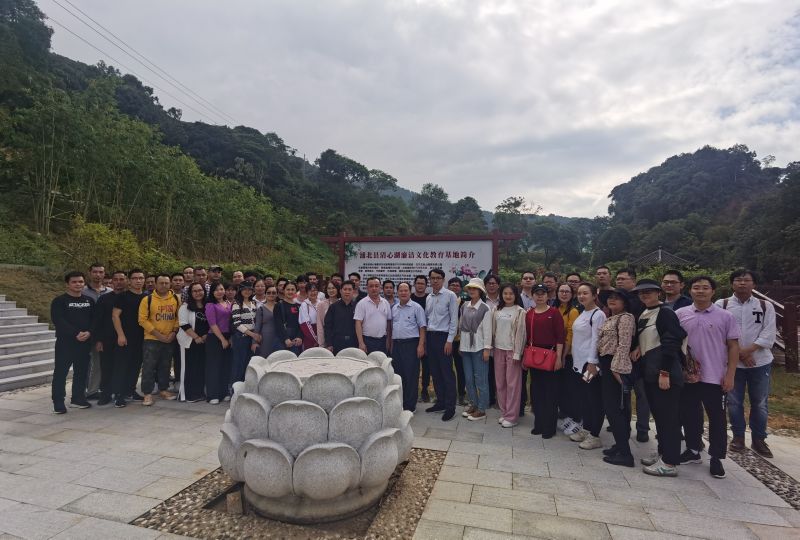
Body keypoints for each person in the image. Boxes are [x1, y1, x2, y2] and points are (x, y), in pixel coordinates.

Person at [676, 276, 740, 479]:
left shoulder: (725, 316)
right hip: (689, 376)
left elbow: (733, 346)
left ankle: (716, 457)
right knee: (690, 414)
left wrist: (730, 375)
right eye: (696, 287)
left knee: (717, 418)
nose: (700, 291)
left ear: (713, 291)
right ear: (690, 291)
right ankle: (693, 449)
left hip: (715, 376)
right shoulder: (680, 314)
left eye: (705, 288)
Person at [718, 269, 777, 457]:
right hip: (732, 365)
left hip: (760, 362)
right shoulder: (722, 305)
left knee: (759, 402)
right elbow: (718, 333)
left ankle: (759, 439)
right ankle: (738, 437)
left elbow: (769, 334)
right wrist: (739, 355)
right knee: (734, 402)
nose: (742, 283)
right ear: (732, 284)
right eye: (738, 280)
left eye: (746, 280)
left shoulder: (765, 306)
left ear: (754, 284)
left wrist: (745, 351)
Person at [633, 279, 687, 477]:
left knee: (669, 418)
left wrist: (665, 372)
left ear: (658, 292)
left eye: (649, 291)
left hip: (664, 373)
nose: (644, 295)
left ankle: (670, 462)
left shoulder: (665, 313)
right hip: (650, 371)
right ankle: (663, 453)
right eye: (641, 292)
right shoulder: (645, 312)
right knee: (660, 416)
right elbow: (649, 338)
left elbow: (672, 341)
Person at [598, 289, 637, 467]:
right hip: (607, 363)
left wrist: (617, 368)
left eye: (617, 298)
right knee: (613, 408)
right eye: (610, 298)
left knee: (615, 409)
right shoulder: (612, 317)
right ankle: (620, 445)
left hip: (615, 366)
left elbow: (624, 345)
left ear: (625, 302)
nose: (612, 300)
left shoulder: (626, 318)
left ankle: (625, 454)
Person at [568, 282, 607, 449]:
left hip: (590, 365)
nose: (581, 296)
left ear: (594, 295)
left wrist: (592, 362)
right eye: (579, 293)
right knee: (584, 397)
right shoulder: (583, 312)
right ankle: (586, 429)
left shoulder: (598, 315)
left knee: (594, 399)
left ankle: (595, 435)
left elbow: (597, 340)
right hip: (579, 363)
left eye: (585, 293)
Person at [50, 271, 95, 414]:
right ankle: (58, 402)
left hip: (84, 343)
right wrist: (76, 333)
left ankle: (78, 398)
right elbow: (59, 320)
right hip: (65, 344)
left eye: (80, 282)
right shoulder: (59, 301)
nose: (78, 284)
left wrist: (89, 332)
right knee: (60, 373)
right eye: (74, 282)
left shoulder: (89, 301)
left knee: (81, 372)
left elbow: (94, 320)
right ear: (67, 284)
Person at [526, 284, 565, 438]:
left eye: (543, 293)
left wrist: (559, 358)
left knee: (550, 392)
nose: (540, 296)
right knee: (536, 392)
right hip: (534, 354)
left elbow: (560, 337)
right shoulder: (529, 314)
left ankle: (549, 427)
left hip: (550, 354)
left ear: (548, 296)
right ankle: (539, 423)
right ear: (532, 296)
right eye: (537, 293)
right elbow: (527, 337)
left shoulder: (554, 313)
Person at [616, 267, 649, 442]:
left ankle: (643, 428)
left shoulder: (642, 301)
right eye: (617, 279)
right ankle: (623, 425)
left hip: (639, 355)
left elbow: (647, 329)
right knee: (623, 392)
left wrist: (640, 347)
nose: (619, 281)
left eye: (623, 278)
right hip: (621, 354)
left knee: (642, 393)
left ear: (634, 281)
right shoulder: (616, 300)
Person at [138, 274, 179, 406]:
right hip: (152, 339)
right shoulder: (147, 299)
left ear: (170, 284)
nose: (164, 285)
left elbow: (178, 317)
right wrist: (158, 335)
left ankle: (163, 389)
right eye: (161, 283)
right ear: (155, 284)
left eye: (166, 283)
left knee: (165, 366)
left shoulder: (176, 299)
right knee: (149, 366)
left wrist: (174, 332)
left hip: (169, 338)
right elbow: (142, 320)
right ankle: (147, 393)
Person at [424, 268, 460, 422]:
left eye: (438, 278)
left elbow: (454, 320)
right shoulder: (429, 297)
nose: (435, 280)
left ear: (443, 280)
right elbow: (427, 318)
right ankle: (441, 402)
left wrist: (449, 340)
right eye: (432, 278)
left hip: (444, 338)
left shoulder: (450, 295)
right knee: (435, 372)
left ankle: (450, 407)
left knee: (447, 373)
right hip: (431, 337)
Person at [492, 284, 526, 427]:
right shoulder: (496, 309)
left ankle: (512, 417)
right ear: (501, 295)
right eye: (505, 293)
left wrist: (518, 352)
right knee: (500, 383)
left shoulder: (520, 311)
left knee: (513, 384)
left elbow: (521, 334)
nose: (508, 296)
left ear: (515, 295)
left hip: (513, 351)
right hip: (498, 349)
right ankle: (504, 412)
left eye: (511, 293)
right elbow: (493, 330)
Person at [459, 278, 493, 421]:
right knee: (468, 378)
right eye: (470, 288)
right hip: (465, 347)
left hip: (479, 347)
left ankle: (482, 408)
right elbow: (461, 326)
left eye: (475, 288)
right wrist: (461, 345)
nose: (472, 290)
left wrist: (487, 349)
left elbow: (488, 330)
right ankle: (473, 404)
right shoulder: (464, 306)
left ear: (480, 291)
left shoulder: (485, 308)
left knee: (481, 379)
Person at [112, 269, 147, 406]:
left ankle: (130, 391)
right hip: (125, 337)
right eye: (135, 278)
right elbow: (115, 316)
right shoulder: (123, 296)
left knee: (135, 366)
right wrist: (120, 335)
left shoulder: (147, 297)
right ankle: (118, 395)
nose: (138, 281)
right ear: (129, 281)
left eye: (141, 278)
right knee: (122, 366)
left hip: (142, 337)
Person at [391, 282, 427, 412]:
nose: (403, 293)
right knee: (398, 375)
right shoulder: (394, 308)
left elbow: (422, 327)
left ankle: (410, 406)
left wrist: (421, 345)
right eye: (401, 290)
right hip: (397, 345)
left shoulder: (416, 307)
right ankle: (401, 402)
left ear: (410, 292)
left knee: (411, 375)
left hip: (411, 345)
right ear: (397, 292)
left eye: (406, 290)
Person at [93, 270, 127, 406]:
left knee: (123, 367)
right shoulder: (104, 299)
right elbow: (97, 320)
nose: (119, 282)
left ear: (126, 281)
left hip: (127, 338)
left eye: (122, 279)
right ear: (112, 281)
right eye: (116, 279)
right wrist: (98, 340)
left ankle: (121, 394)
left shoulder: (131, 297)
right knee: (106, 367)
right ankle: (105, 393)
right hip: (107, 338)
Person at [555, 283, 581, 436]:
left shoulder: (573, 311)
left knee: (571, 388)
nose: (564, 294)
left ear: (572, 294)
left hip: (569, 355)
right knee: (561, 387)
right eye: (561, 291)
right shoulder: (557, 309)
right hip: (557, 353)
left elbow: (571, 334)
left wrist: (564, 355)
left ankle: (576, 418)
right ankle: (566, 415)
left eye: (567, 291)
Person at [82, 263, 111, 400]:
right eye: (95, 272)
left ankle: (93, 390)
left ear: (104, 274)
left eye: (100, 272)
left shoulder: (110, 292)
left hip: (101, 334)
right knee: (83, 364)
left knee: (98, 363)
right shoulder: (82, 291)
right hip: (84, 332)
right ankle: (80, 390)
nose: (98, 275)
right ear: (89, 273)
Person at [177, 282, 208, 402]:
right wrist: (196, 337)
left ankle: (199, 392)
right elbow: (183, 324)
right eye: (194, 291)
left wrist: (205, 335)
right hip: (190, 341)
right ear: (190, 293)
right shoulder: (185, 307)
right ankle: (189, 395)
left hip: (204, 341)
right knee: (190, 368)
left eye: (200, 290)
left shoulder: (207, 305)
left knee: (201, 367)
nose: (198, 293)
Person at [205, 281, 232, 404]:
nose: (219, 292)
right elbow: (213, 324)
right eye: (216, 290)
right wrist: (222, 339)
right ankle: (213, 395)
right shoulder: (210, 305)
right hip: (215, 337)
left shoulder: (229, 303)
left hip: (228, 336)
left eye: (221, 289)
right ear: (212, 292)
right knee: (214, 366)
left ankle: (224, 392)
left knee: (225, 365)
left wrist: (229, 338)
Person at [355, 277, 392, 354]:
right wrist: (361, 343)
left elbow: (388, 323)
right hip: (367, 340)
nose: (374, 288)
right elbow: (358, 323)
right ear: (367, 288)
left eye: (376, 286)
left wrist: (388, 340)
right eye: (371, 286)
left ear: (380, 287)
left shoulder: (385, 303)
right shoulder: (362, 303)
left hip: (382, 340)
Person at [230, 282, 258, 383]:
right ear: (240, 290)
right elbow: (237, 323)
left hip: (251, 337)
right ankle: (234, 386)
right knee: (239, 363)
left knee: (248, 362)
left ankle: (245, 385)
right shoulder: (237, 304)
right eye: (245, 289)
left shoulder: (253, 303)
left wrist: (254, 334)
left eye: (250, 289)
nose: (247, 291)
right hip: (240, 337)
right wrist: (252, 334)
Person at [411, 274, 432, 402]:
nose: (420, 286)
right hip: (412, 336)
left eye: (422, 284)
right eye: (418, 283)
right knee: (413, 365)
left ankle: (425, 390)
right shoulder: (409, 298)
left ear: (426, 285)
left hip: (428, 336)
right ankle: (413, 390)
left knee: (426, 366)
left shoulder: (429, 298)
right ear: (414, 285)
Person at [324, 280, 358, 353]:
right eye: (345, 289)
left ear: (353, 291)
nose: (347, 292)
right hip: (337, 343)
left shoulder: (358, 307)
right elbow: (328, 327)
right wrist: (329, 344)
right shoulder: (333, 307)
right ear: (340, 291)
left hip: (354, 343)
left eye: (350, 289)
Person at [448, 277, 467, 405]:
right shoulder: (444, 301)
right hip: (447, 341)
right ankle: (449, 394)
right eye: (452, 285)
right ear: (448, 287)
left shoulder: (465, 303)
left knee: (461, 369)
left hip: (460, 341)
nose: (455, 287)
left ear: (460, 288)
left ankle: (461, 395)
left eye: (457, 285)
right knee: (447, 369)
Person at [483, 274, 501, 406]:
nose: (491, 285)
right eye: (489, 283)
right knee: (487, 372)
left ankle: (500, 399)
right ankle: (489, 398)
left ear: (498, 285)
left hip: (501, 340)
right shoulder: (481, 300)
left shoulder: (504, 299)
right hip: (484, 341)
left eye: (494, 283)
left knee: (500, 372)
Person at [251, 285, 280, 358]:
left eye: (274, 293)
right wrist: (254, 342)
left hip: (279, 338)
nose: (271, 294)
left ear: (277, 294)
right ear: (265, 294)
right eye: (268, 292)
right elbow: (257, 326)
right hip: (265, 339)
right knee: (265, 359)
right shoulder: (261, 309)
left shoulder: (280, 306)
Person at [275, 281, 302, 354]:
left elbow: (301, 323)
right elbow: (278, 323)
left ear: (296, 291)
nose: (290, 292)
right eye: (288, 289)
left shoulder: (298, 306)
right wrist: (286, 338)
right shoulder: (279, 305)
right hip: (283, 339)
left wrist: (299, 337)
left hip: (296, 340)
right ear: (284, 291)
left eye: (292, 289)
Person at [316, 281, 339, 351]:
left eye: (333, 288)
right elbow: (320, 325)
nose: (331, 290)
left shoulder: (342, 303)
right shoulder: (321, 304)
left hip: (340, 339)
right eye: (329, 288)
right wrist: (322, 343)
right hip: (326, 340)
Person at [299, 282, 321, 349]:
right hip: (309, 337)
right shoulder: (304, 305)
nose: (313, 293)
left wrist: (322, 337)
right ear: (307, 292)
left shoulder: (321, 303)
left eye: (315, 290)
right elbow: (305, 324)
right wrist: (315, 339)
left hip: (322, 336)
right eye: (310, 291)